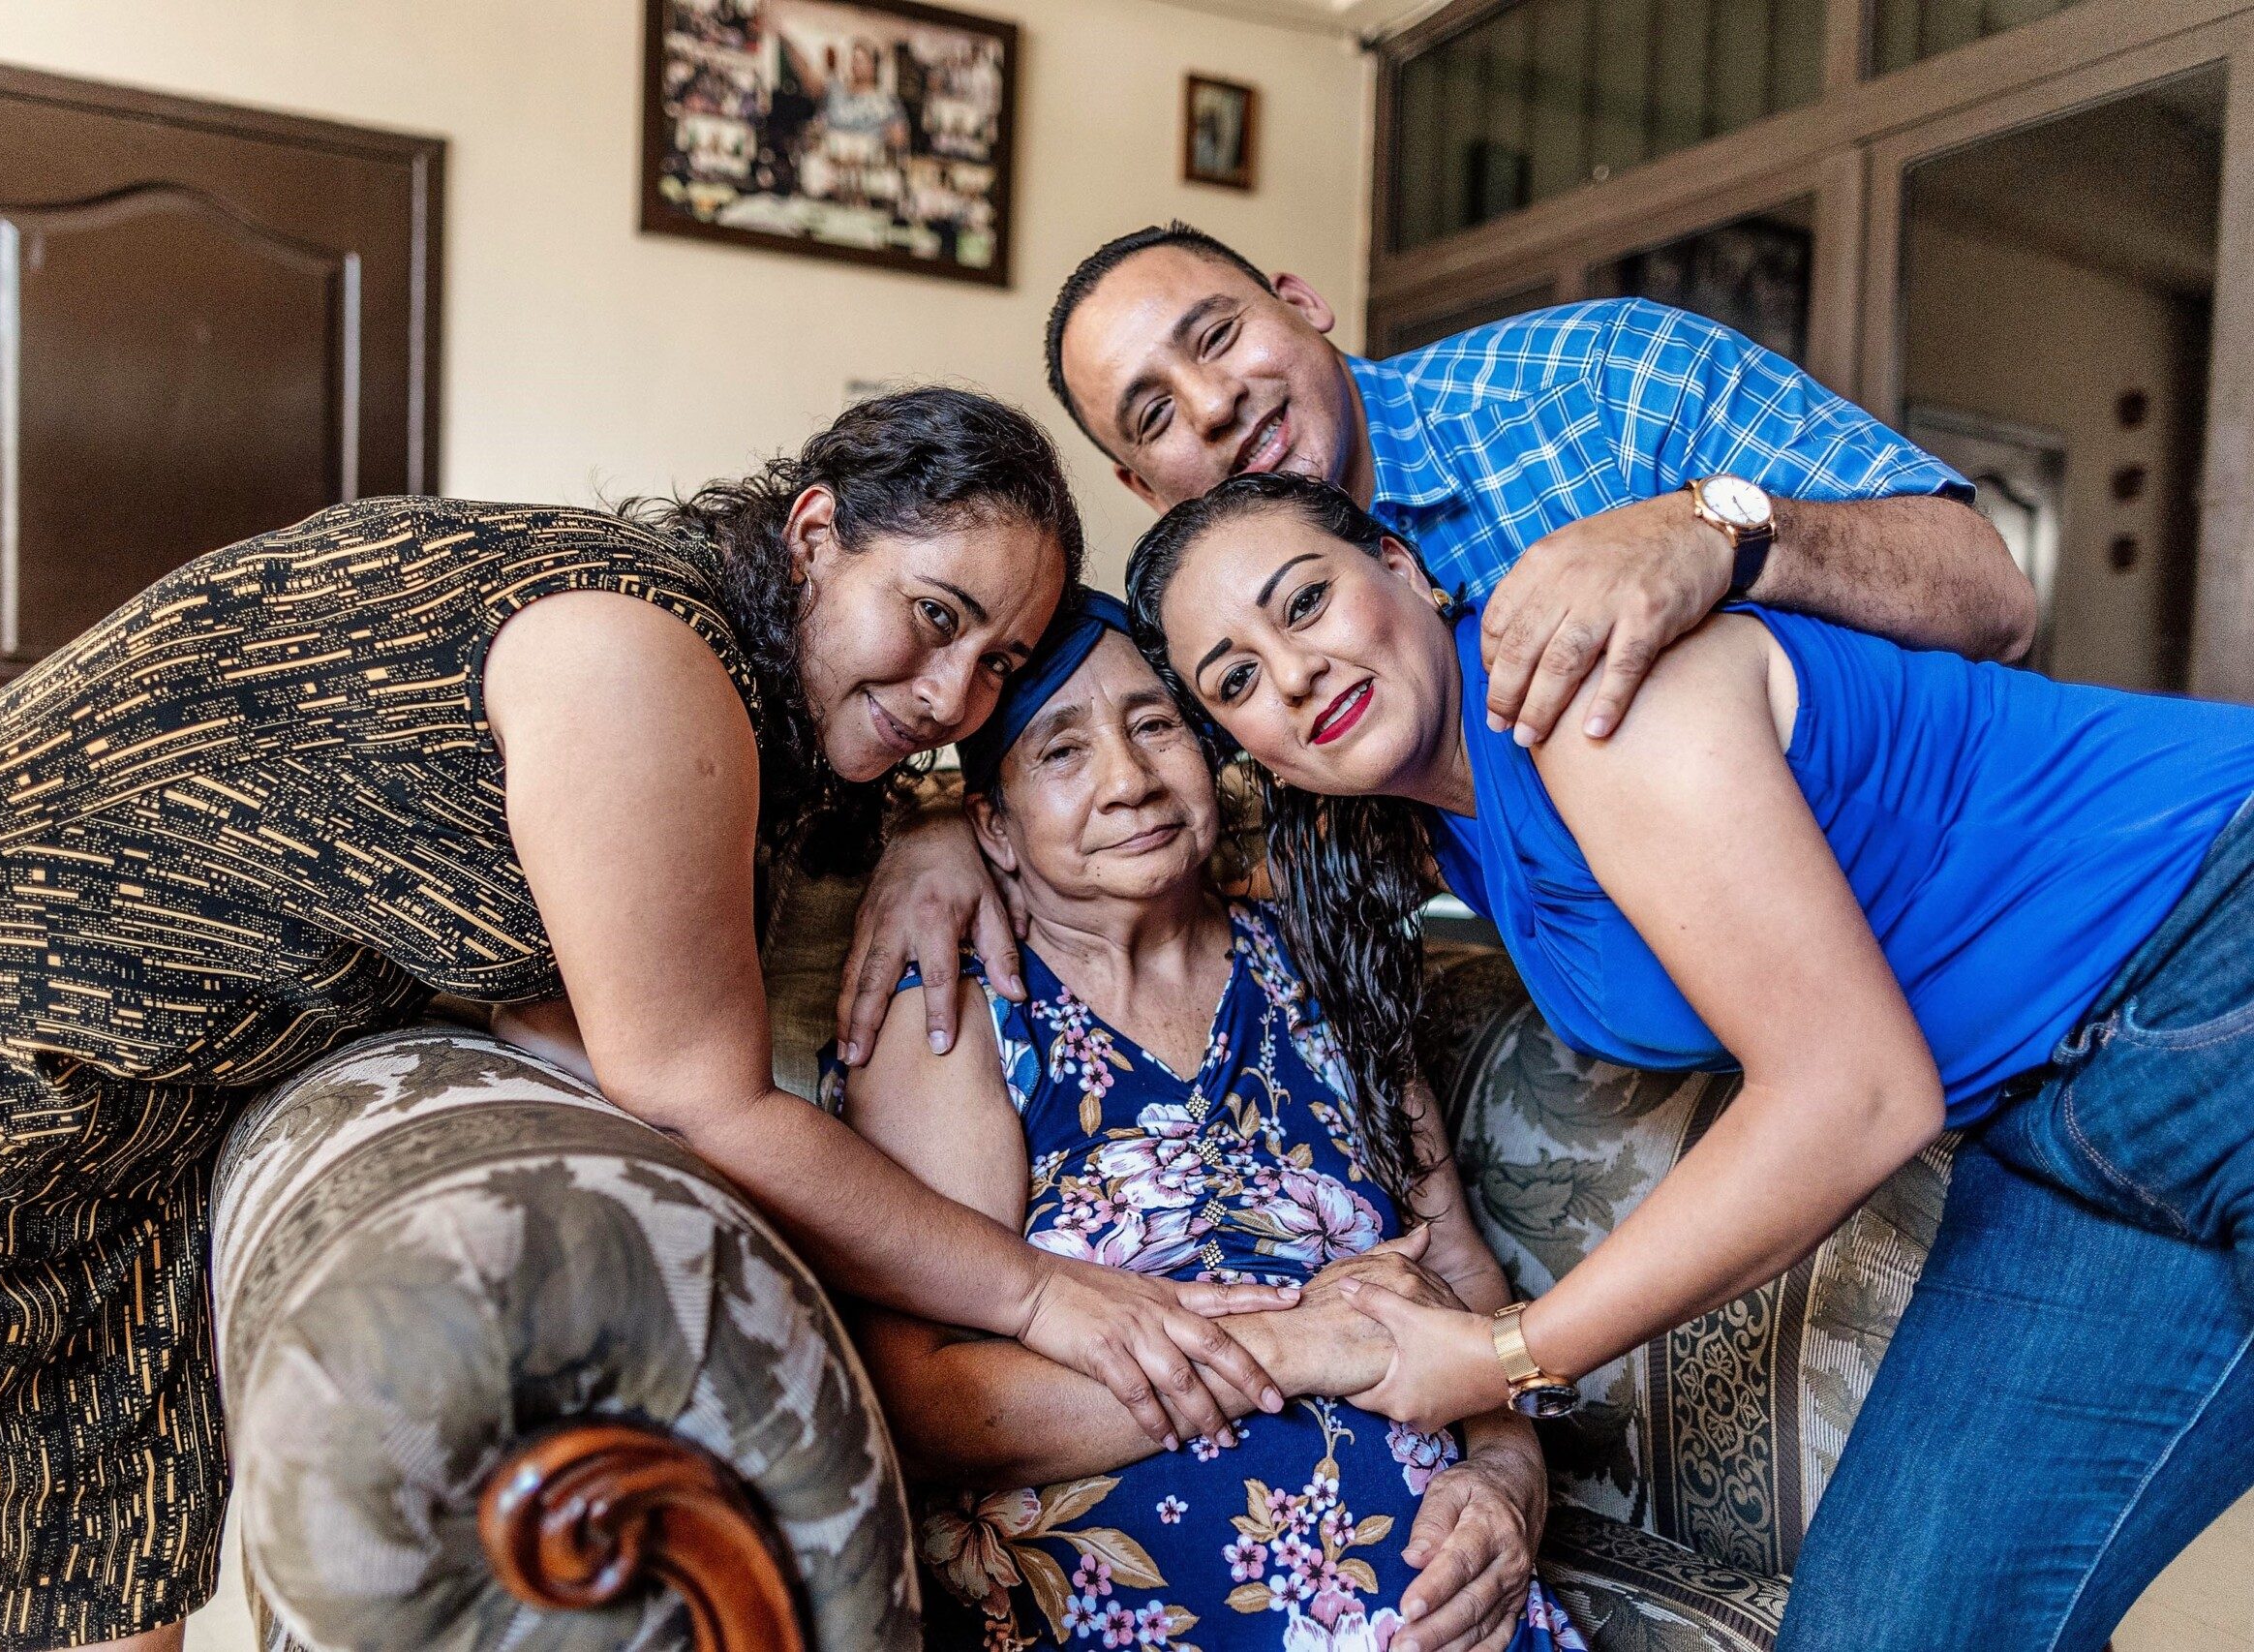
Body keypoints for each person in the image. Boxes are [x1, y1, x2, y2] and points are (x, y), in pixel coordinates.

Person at [0, 389, 1304, 1652]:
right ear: (817, 529)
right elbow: (700, 1096)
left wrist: (932, 822)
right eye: (934, 616)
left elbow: (618, 958)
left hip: (73, 1148)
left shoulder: (721, 673)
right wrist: (1046, 1297)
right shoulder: (640, 656)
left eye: (999, 665)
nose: (959, 692)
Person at [1127, 471, 2254, 1652]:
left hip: (2209, 936)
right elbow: (1126, 832)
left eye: (1303, 602)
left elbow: (1853, 1097)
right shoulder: (1435, 819)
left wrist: (1498, 1356)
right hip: (2053, 1119)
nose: (1291, 672)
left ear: (1402, 568)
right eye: (1237, 679)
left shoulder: (1590, 697)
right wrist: (947, 843)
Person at [836, 222, 2038, 1070]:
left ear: (1302, 306)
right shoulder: (1235, 642)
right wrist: (945, 836)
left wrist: (1716, 532)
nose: (1209, 405)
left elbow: (1991, 592)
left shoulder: (1597, 383)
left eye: (1217, 336)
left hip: (2023, 923)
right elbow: (1153, 805)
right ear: (1144, 482)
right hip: (1865, 1039)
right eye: (1154, 414)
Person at [829, 593, 1583, 1652]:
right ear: (989, 825)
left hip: (1432, 1587)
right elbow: (929, 1406)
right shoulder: (959, 1012)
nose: (1128, 780)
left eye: (1153, 724)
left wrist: (1505, 1480)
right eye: (1059, 750)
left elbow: (1460, 1278)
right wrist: (1298, 1347)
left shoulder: (1321, 958)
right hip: (1142, 1589)